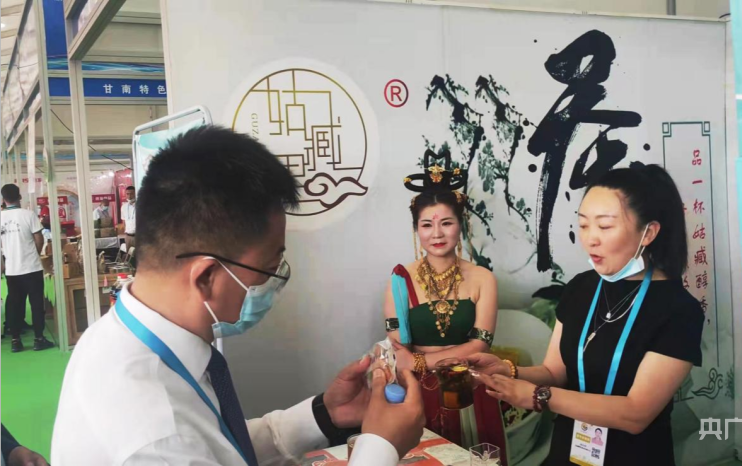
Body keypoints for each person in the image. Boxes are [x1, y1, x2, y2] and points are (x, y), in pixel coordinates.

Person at [51, 126, 425, 466]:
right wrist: (380, 446)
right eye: (269, 267)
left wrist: (325, 414)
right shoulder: (155, 438)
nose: (274, 282)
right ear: (207, 277)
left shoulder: (121, 338)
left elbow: (218, 446)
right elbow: (188, 446)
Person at [468, 164, 704, 466]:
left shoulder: (679, 310)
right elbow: (554, 373)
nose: (590, 239)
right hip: (569, 452)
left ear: (648, 232)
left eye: (604, 227)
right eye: (583, 225)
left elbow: (636, 414)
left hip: (633, 457)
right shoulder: (581, 287)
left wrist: (539, 396)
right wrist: (508, 371)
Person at [383, 149, 505, 457]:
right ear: (416, 229)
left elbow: (480, 346)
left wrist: (421, 361)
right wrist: (411, 365)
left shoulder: (483, 278)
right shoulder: (400, 279)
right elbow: (397, 345)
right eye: (426, 225)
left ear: (460, 225)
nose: (436, 234)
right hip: (417, 391)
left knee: (474, 457)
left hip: (470, 384)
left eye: (446, 223)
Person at [0, 184, 55, 353]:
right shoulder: (29, 215)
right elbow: (39, 239)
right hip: (32, 267)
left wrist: (3, 262)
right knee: (36, 303)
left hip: (12, 269)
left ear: (3, 199)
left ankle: (15, 341)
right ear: (19, 196)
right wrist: (34, 254)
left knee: (15, 304)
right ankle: (39, 339)